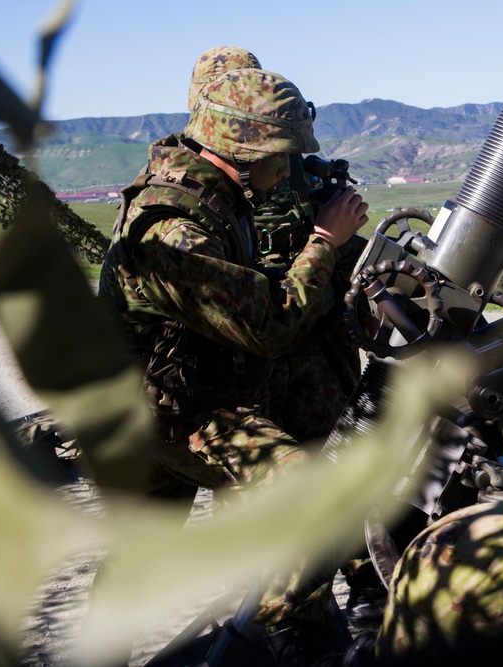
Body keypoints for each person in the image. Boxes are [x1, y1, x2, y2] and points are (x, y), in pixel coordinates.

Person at [98, 67, 370, 663]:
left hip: (179, 386)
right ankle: (279, 643)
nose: (288, 172)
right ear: (243, 151)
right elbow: (269, 324)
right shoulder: (171, 229)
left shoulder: (218, 195)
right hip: (162, 407)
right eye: (282, 156)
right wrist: (325, 239)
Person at [186, 45, 386, 631]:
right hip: (251, 375)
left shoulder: (306, 176)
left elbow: (350, 274)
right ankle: (282, 626)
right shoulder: (200, 198)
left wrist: (353, 282)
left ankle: (358, 606)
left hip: (320, 368)